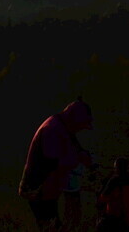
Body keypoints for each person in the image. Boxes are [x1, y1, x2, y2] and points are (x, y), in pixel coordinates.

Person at [19, 99, 95, 231]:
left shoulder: (64, 126)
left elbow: (75, 147)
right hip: (39, 189)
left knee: (54, 224)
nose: (80, 130)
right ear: (74, 119)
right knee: (50, 225)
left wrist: (83, 155)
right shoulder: (52, 130)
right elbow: (53, 163)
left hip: (49, 189)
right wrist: (77, 159)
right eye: (81, 126)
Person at [97, 157, 129, 232]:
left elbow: (103, 198)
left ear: (117, 168)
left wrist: (103, 187)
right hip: (128, 218)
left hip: (113, 218)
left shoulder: (114, 181)